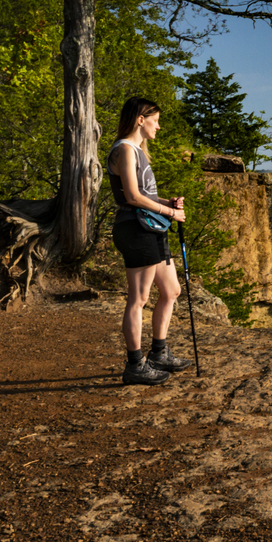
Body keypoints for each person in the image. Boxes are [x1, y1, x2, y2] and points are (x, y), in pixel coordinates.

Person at [106, 97, 193, 385]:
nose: (159, 126)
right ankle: (135, 365)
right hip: (136, 229)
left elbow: (145, 194)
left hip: (151, 228)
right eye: (155, 120)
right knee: (139, 299)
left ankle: (159, 353)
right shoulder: (124, 150)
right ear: (141, 119)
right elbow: (132, 196)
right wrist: (169, 211)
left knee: (171, 291)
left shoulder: (137, 151)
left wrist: (168, 202)